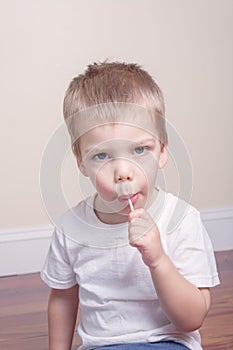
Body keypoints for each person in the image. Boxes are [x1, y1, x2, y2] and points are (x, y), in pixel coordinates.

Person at [41, 61, 219, 350]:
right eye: (102, 156)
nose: (123, 171)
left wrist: (158, 259)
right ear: (80, 161)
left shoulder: (181, 220)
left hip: (167, 342)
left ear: (162, 151)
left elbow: (192, 318)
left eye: (140, 150)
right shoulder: (70, 228)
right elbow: (62, 298)